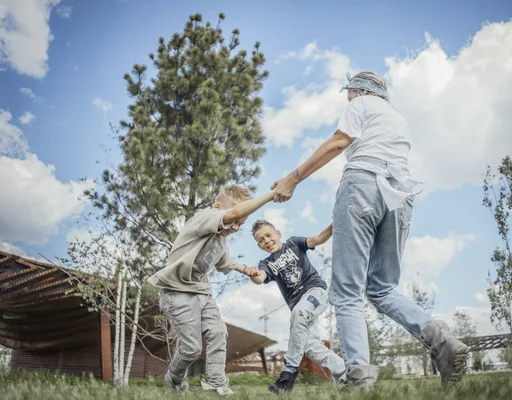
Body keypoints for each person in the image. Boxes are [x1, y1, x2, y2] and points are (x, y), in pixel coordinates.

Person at [270, 71, 469, 389]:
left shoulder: (360, 104)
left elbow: (339, 142)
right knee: (384, 288)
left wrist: (293, 178)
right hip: (400, 195)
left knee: (347, 292)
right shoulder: (397, 118)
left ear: (358, 90)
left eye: (348, 93)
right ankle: (444, 343)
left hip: (363, 184)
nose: (347, 98)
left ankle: (359, 381)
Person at [147, 185, 271, 395]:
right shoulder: (204, 218)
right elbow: (233, 213)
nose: (235, 228)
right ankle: (174, 381)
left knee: (218, 332)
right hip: (176, 293)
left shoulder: (222, 243)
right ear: (217, 208)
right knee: (192, 349)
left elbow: (227, 262)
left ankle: (215, 382)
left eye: (240, 225)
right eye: (235, 221)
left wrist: (247, 270)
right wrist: (270, 196)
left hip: (202, 293)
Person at [247, 220, 345, 393]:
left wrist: (335, 223)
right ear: (259, 246)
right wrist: (253, 274)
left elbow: (318, 239)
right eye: (261, 240)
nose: (267, 241)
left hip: (316, 292)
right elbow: (260, 278)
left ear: (278, 233)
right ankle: (346, 375)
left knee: (300, 311)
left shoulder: (293, 243)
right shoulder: (266, 263)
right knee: (312, 348)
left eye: (269, 235)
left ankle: (288, 374)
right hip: (300, 308)